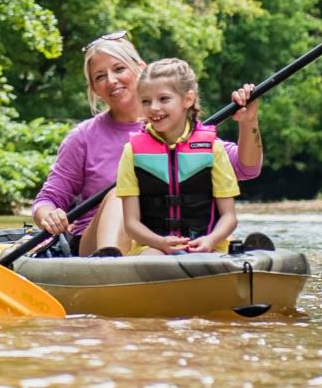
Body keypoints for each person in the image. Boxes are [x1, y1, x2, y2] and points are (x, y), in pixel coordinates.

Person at [30, 31, 262, 255]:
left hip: (167, 240)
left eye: (119, 69)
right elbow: (47, 200)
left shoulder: (180, 128)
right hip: (98, 246)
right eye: (100, 76)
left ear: (141, 69)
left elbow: (246, 168)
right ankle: (110, 262)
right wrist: (49, 214)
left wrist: (248, 122)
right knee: (117, 193)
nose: (111, 80)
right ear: (94, 89)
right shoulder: (82, 137)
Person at [117, 57, 238, 254]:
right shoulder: (131, 151)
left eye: (164, 99)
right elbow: (131, 223)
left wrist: (211, 240)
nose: (154, 108)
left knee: (210, 259)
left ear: (187, 100)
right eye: (146, 101)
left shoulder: (213, 149)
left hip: (207, 245)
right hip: (154, 246)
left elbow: (229, 217)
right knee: (152, 258)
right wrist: (160, 243)